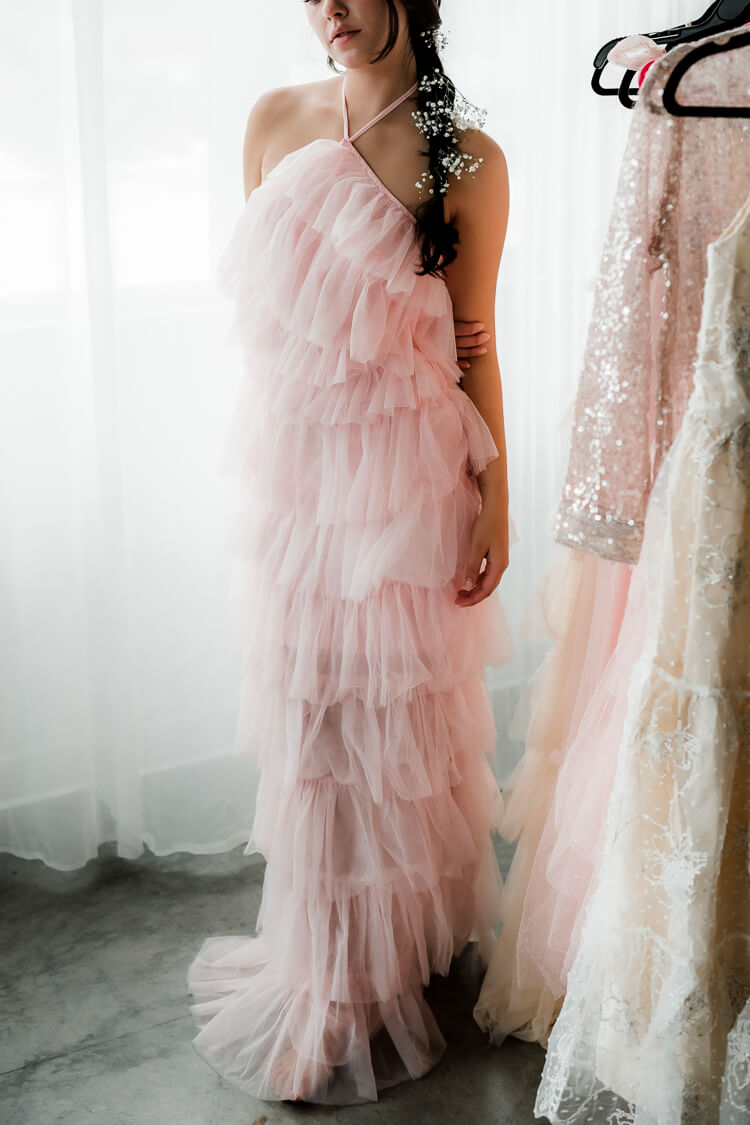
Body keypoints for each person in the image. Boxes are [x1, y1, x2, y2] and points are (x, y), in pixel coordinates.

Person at [187, 0, 512, 1104]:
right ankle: (331, 968)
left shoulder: (466, 156)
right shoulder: (274, 119)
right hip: (296, 482)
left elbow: (474, 341)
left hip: (403, 483)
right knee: (310, 729)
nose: (330, 6)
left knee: (392, 728)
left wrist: (493, 496)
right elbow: (277, 324)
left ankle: (366, 978)